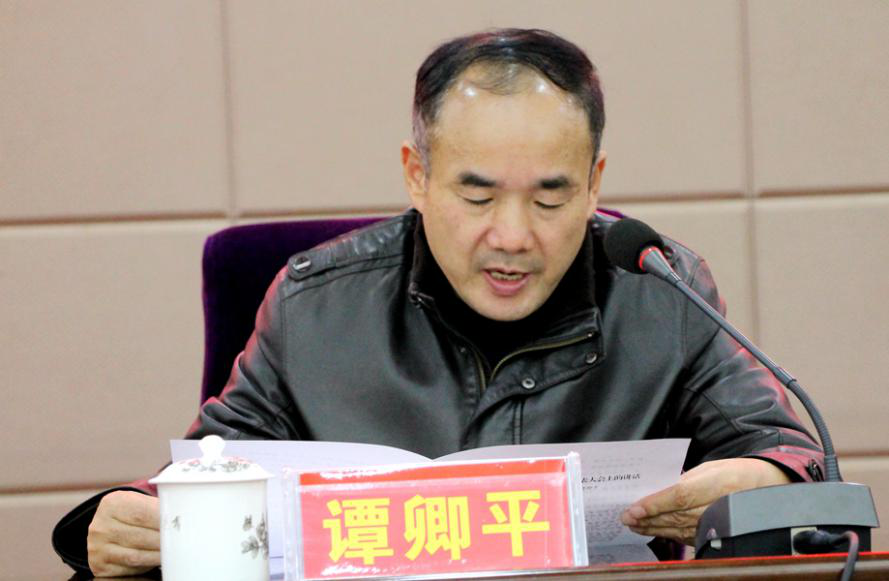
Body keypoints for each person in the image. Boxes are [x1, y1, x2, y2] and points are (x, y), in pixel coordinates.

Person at [53, 28, 823, 577]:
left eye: (550, 198)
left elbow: (790, 455)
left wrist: (763, 480)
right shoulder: (313, 303)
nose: (512, 235)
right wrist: (130, 512)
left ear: (593, 184)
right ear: (416, 175)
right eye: (476, 195)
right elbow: (213, 464)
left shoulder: (661, 291)